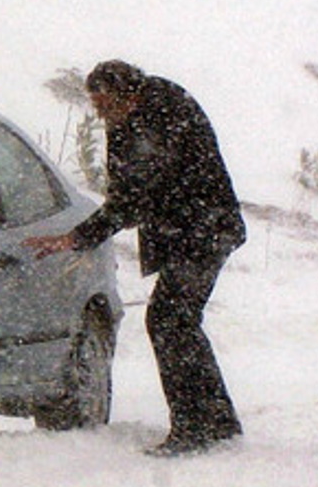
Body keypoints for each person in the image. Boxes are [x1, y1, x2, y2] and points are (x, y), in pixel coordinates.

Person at [25, 60, 245, 456]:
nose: (101, 114)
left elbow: (134, 196)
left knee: (169, 319)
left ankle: (196, 427)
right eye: (96, 106)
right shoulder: (133, 117)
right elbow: (124, 192)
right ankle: (215, 420)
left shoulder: (162, 114)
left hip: (204, 230)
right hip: (190, 231)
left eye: (105, 104)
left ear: (129, 94)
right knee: (176, 320)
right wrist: (81, 236)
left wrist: (78, 238)